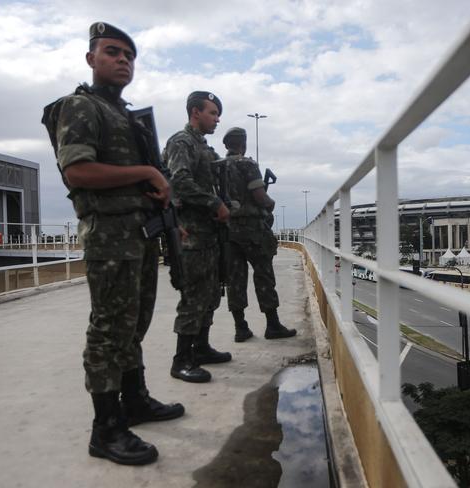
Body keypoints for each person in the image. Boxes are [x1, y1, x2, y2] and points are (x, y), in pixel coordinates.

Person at [41, 22, 184, 466]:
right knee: (108, 329)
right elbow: (78, 172)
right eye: (112, 52)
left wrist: (164, 210)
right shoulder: (81, 106)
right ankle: (105, 429)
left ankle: (134, 400)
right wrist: (147, 175)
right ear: (91, 60)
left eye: (129, 55)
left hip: (139, 232)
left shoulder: (125, 115)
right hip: (109, 235)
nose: (123, 60)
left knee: (134, 322)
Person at [164, 91, 232, 383]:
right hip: (190, 233)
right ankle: (181, 360)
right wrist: (213, 203)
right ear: (195, 112)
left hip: (209, 233)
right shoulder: (181, 142)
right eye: (213, 113)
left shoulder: (204, 147)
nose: (217, 119)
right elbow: (179, 182)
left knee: (210, 294)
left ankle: (201, 348)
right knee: (193, 297)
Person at [221, 127, 296, 341]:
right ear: (243, 144)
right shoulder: (247, 164)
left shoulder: (217, 167)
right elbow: (261, 197)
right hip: (253, 230)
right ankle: (272, 325)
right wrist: (270, 205)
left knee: (235, 279)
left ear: (227, 145)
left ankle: (240, 327)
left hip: (228, 230)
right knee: (263, 274)